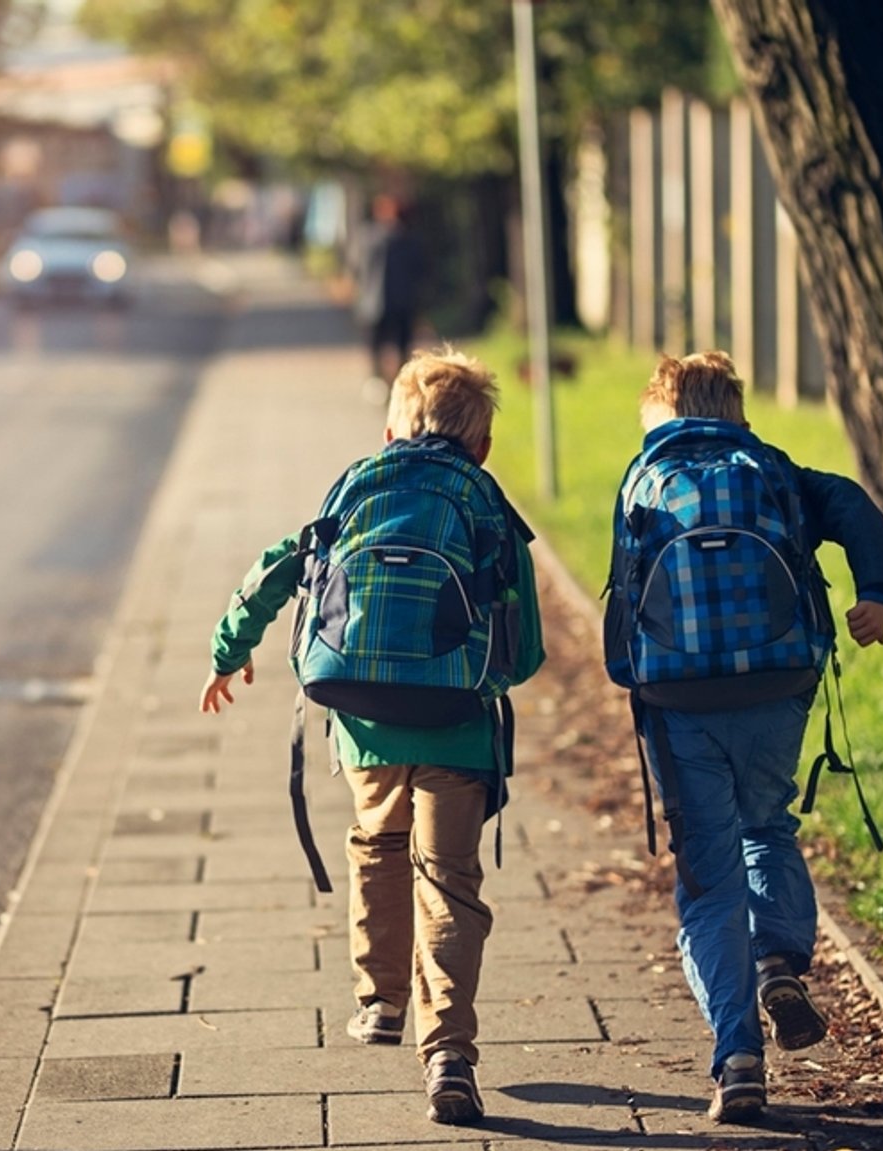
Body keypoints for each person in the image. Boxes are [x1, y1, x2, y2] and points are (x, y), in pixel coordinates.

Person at [198, 349, 543, 1126]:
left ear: (392, 426)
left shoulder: (359, 482)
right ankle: (449, 1050)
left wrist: (229, 651)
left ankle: (382, 998)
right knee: (449, 878)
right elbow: (523, 640)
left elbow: (280, 564)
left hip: (362, 713)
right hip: (455, 721)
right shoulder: (484, 497)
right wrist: (496, 676)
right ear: (481, 443)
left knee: (378, 843)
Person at [609, 351, 883, 1122]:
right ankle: (778, 957)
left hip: (681, 699)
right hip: (777, 684)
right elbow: (855, 507)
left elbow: (622, 600)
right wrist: (877, 595)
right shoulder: (771, 465)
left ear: (661, 415)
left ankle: (737, 1057)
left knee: (707, 867)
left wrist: (634, 680)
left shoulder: (646, 476)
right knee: (766, 825)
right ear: (735, 408)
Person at [351, 195, 424, 395]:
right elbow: (421, 271)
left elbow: (356, 267)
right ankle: (397, 385)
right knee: (400, 347)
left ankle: (380, 381)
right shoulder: (409, 239)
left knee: (378, 346)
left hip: (373, 302)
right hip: (401, 302)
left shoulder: (368, 237)